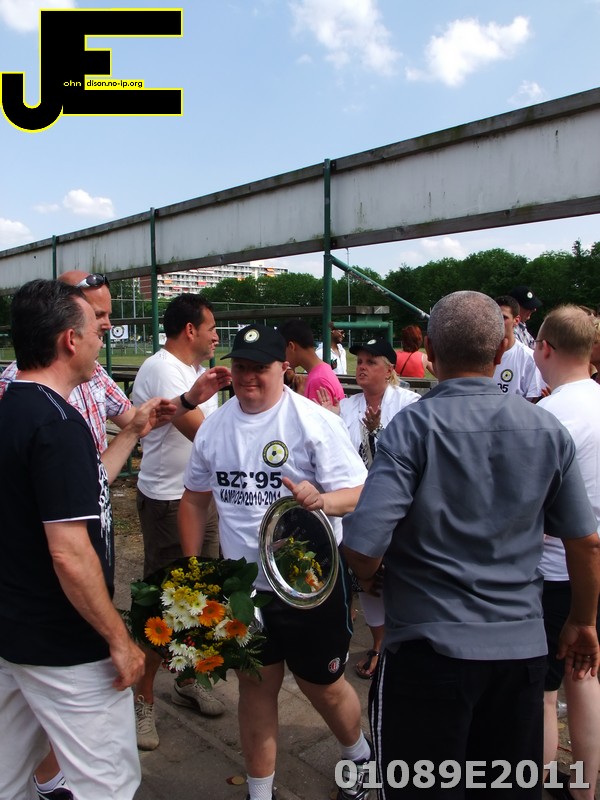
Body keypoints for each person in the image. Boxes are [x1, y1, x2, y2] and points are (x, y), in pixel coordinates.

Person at [343, 290, 600, 799]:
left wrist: (371, 577)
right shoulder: (545, 427)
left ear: (429, 350)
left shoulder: (412, 426)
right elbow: (586, 541)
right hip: (519, 651)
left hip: (427, 650)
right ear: (503, 348)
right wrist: (583, 619)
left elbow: (363, 542)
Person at [0, 279, 176, 800]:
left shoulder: (13, 409)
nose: (102, 338)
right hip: (64, 641)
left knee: (8, 776)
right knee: (109, 782)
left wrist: (132, 431)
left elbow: (84, 487)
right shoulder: (58, 424)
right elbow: (69, 551)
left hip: (13, 634)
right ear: (69, 341)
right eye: (94, 330)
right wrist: (118, 640)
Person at [178, 324, 370, 800]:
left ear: (283, 368)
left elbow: (361, 492)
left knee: (323, 686)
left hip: (312, 585)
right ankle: (260, 791)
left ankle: (358, 758)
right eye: (241, 367)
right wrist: (195, 571)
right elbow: (194, 499)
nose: (248, 377)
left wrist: (323, 500)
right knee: (255, 685)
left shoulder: (312, 421)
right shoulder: (214, 428)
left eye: (259, 368)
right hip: (245, 589)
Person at [131, 293, 232, 750]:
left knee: (200, 595)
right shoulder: (163, 370)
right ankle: (142, 698)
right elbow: (201, 433)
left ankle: (187, 680)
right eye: (211, 328)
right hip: (170, 503)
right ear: (190, 330)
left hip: (198, 499)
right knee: (164, 601)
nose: (216, 337)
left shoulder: (192, 371)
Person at [533, 306, 600, 800]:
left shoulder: (546, 417)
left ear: (544, 348)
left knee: (542, 690)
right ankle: (584, 790)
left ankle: (535, 787)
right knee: (586, 676)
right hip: (593, 568)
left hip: (554, 571)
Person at [339, 338, 419, 679]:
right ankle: (378, 644)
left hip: (400, 507)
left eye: (371, 362)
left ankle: (405, 642)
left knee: (394, 577)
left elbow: (411, 455)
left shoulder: (410, 404)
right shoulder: (347, 406)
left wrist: (378, 431)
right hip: (358, 505)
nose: (362, 367)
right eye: (359, 361)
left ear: (389, 370)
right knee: (367, 579)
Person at [0, 270, 135, 451]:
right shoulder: (13, 387)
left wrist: (175, 404)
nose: (108, 325)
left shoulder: (93, 371)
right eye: (96, 315)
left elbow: (133, 420)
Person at [278, 318, 345, 404]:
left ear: (291, 346)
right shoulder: (323, 370)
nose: (281, 356)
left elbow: (314, 413)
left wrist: (299, 396)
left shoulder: (317, 381)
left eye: (282, 349)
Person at [493, 295, 544, 400]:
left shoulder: (529, 359)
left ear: (516, 320)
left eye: (504, 317)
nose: (498, 321)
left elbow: (533, 400)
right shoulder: (480, 354)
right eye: (494, 317)